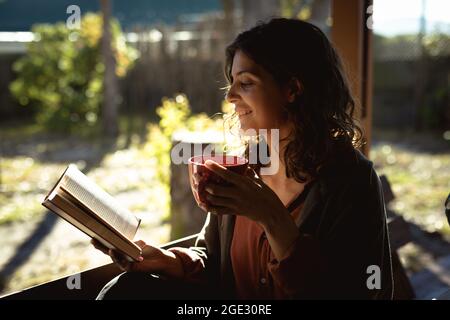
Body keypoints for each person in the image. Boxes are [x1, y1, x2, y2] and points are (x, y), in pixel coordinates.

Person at [93, 18, 394, 300]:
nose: (230, 97)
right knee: (126, 290)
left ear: (292, 89)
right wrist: (170, 261)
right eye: (232, 81)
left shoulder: (350, 180)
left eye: (246, 83)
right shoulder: (247, 165)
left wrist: (271, 216)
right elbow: (214, 261)